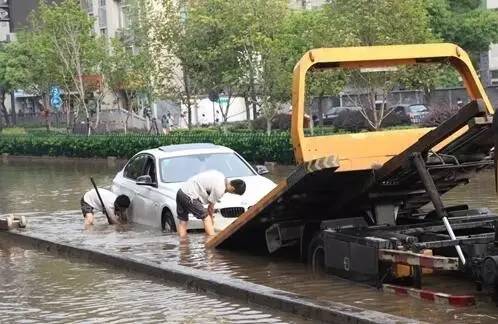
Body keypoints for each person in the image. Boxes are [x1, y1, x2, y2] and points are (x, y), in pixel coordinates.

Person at [176, 170, 246, 237]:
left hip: (181, 192)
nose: (231, 193)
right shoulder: (220, 189)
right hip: (189, 196)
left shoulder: (220, 175)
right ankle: (211, 244)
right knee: (207, 219)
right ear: (233, 189)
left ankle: (183, 245)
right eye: (233, 193)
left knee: (183, 220)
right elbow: (210, 208)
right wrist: (211, 220)